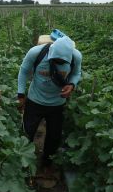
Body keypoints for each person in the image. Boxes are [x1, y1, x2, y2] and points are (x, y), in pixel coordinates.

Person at [17, 34, 82, 173]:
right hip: (35, 101)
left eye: (61, 62)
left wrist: (71, 84)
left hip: (57, 104)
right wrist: (21, 95)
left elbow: (76, 73)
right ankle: (24, 162)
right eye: (55, 60)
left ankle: (46, 162)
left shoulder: (76, 57)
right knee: (27, 132)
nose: (58, 63)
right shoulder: (36, 52)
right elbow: (23, 71)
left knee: (54, 136)